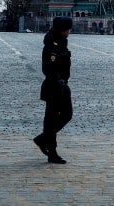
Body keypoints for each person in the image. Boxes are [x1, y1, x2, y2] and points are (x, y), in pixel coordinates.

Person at [33, 16, 73, 164]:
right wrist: (58, 82)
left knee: (65, 115)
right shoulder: (51, 45)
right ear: (61, 30)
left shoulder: (61, 43)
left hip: (62, 85)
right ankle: (51, 151)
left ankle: (43, 139)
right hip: (53, 86)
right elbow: (48, 68)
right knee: (52, 119)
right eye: (67, 29)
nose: (69, 32)